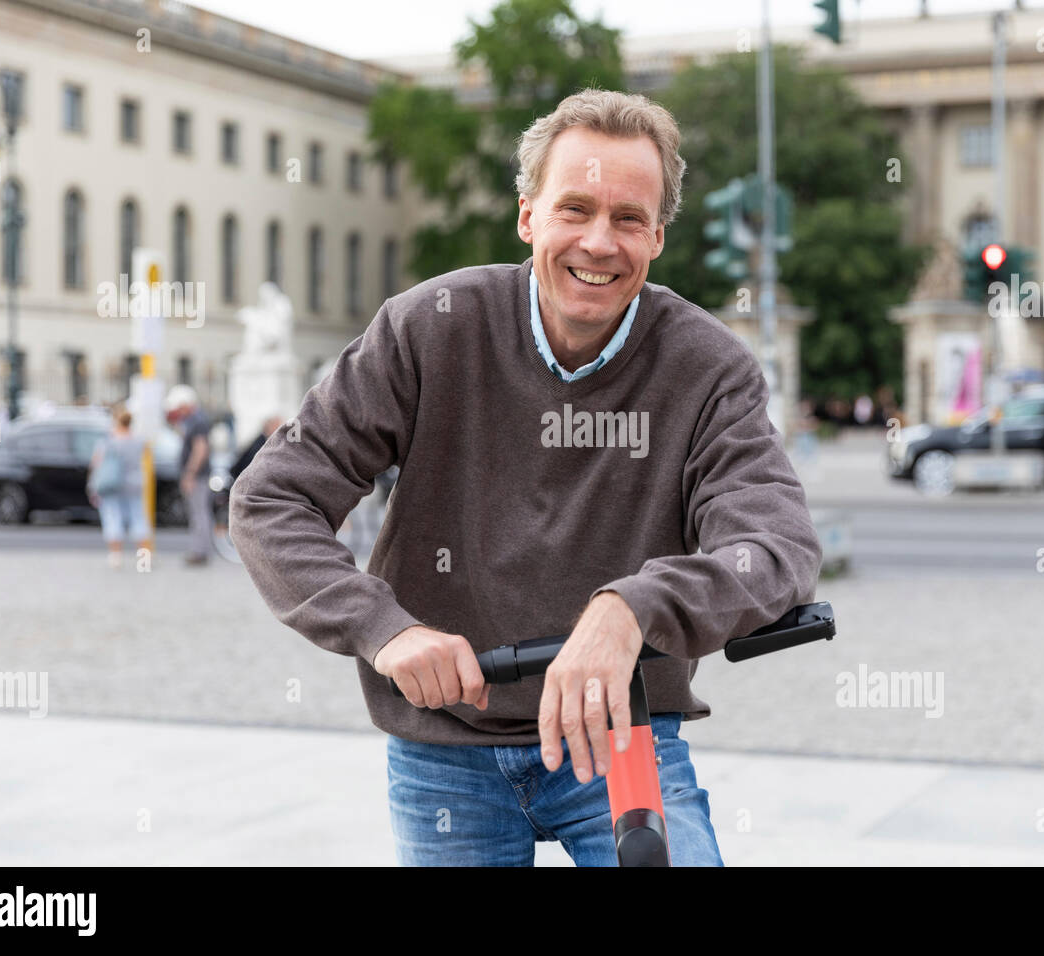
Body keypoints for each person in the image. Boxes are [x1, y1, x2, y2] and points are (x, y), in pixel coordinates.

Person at [230, 89, 822, 867]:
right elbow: (271, 497)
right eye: (574, 209)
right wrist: (384, 629)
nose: (599, 242)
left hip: (620, 731)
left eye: (628, 219)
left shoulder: (707, 368)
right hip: (446, 746)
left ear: (658, 237)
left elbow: (775, 545)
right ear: (528, 217)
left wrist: (631, 608)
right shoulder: (429, 326)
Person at [87, 405, 149, 568]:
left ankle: (116, 556)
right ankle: (144, 560)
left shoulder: (108, 441)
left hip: (112, 484)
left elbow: (96, 462)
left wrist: (92, 485)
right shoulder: (138, 441)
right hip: (134, 483)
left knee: (112, 518)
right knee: (138, 519)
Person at [164, 384, 211, 567]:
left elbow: (201, 449)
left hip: (197, 476)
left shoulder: (198, 421)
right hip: (197, 475)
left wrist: (190, 474)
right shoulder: (194, 420)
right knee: (199, 514)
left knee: (199, 514)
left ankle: (200, 552)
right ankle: (200, 550)